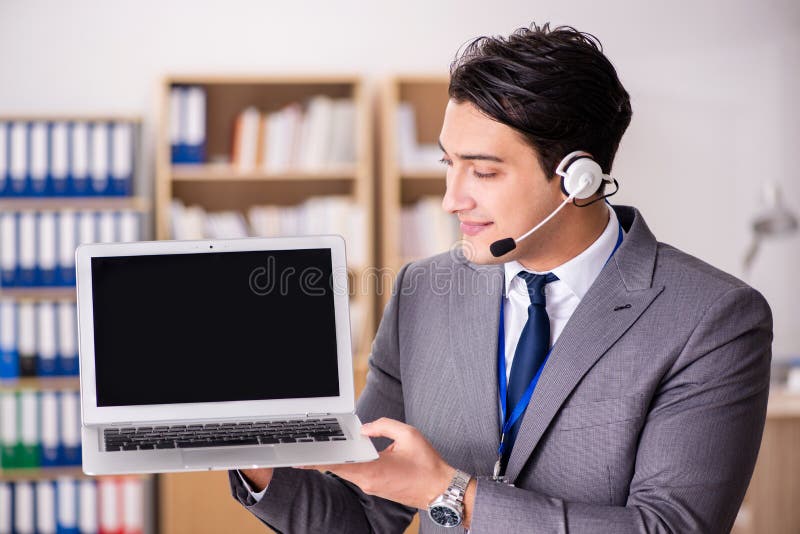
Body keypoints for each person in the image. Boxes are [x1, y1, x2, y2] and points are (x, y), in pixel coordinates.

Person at [229, 23, 772, 533]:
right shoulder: (423, 291)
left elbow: (668, 527)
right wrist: (254, 451)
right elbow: (366, 514)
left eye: (484, 172)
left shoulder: (712, 318)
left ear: (577, 178)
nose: (450, 199)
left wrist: (452, 493)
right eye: (449, 164)